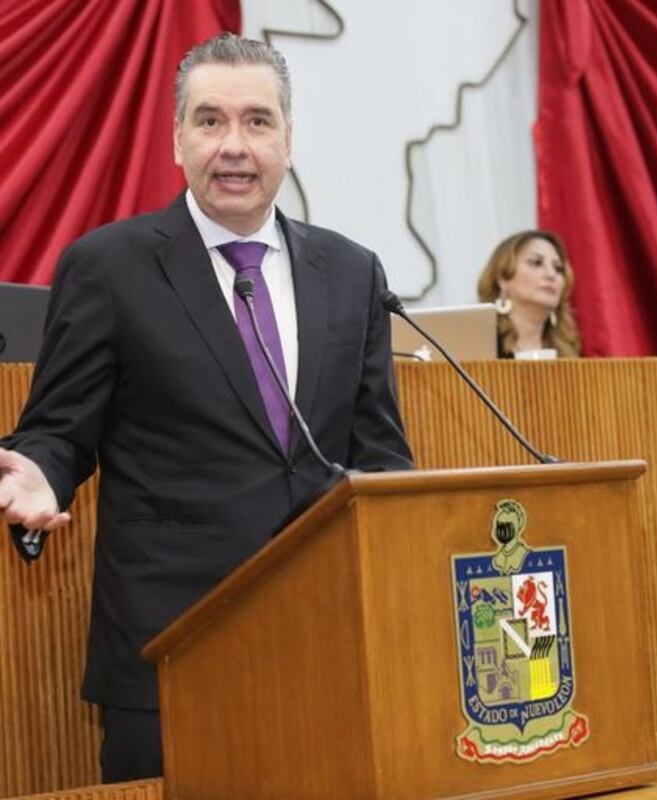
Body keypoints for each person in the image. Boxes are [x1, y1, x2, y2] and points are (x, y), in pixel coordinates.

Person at [0, 33, 412, 783]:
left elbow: (380, 456)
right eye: (210, 120)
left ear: (289, 138)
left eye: (257, 121)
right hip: (170, 653)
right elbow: (59, 430)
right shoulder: (107, 266)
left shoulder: (353, 273)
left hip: (328, 645)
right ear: (177, 139)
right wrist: (39, 475)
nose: (234, 145)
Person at [477, 229, 581, 358]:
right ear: (503, 279)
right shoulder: (479, 344)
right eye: (536, 263)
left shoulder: (569, 351)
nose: (551, 274)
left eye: (558, 268)